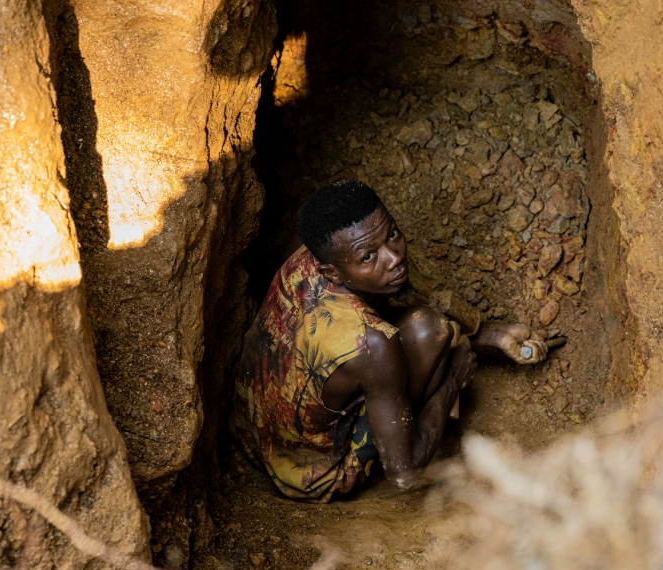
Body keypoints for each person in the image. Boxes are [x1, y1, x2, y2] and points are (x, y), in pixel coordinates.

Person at [232, 180, 549, 502]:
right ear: (333, 272)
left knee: (405, 322)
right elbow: (405, 475)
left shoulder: (310, 247)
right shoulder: (371, 344)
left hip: (249, 430)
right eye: (369, 256)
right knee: (428, 329)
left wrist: (487, 333)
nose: (394, 257)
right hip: (314, 475)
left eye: (393, 234)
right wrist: (452, 379)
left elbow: (369, 299)